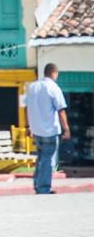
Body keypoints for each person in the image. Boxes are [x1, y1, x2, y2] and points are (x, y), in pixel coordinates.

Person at [25, 63, 70, 195]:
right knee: (48, 159)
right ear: (54, 73)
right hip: (50, 130)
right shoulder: (53, 88)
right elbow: (61, 110)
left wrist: (28, 126)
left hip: (36, 130)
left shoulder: (32, 86)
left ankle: (37, 184)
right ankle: (43, 187)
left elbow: (25, 108)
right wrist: (66, 129)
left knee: (41, 157)